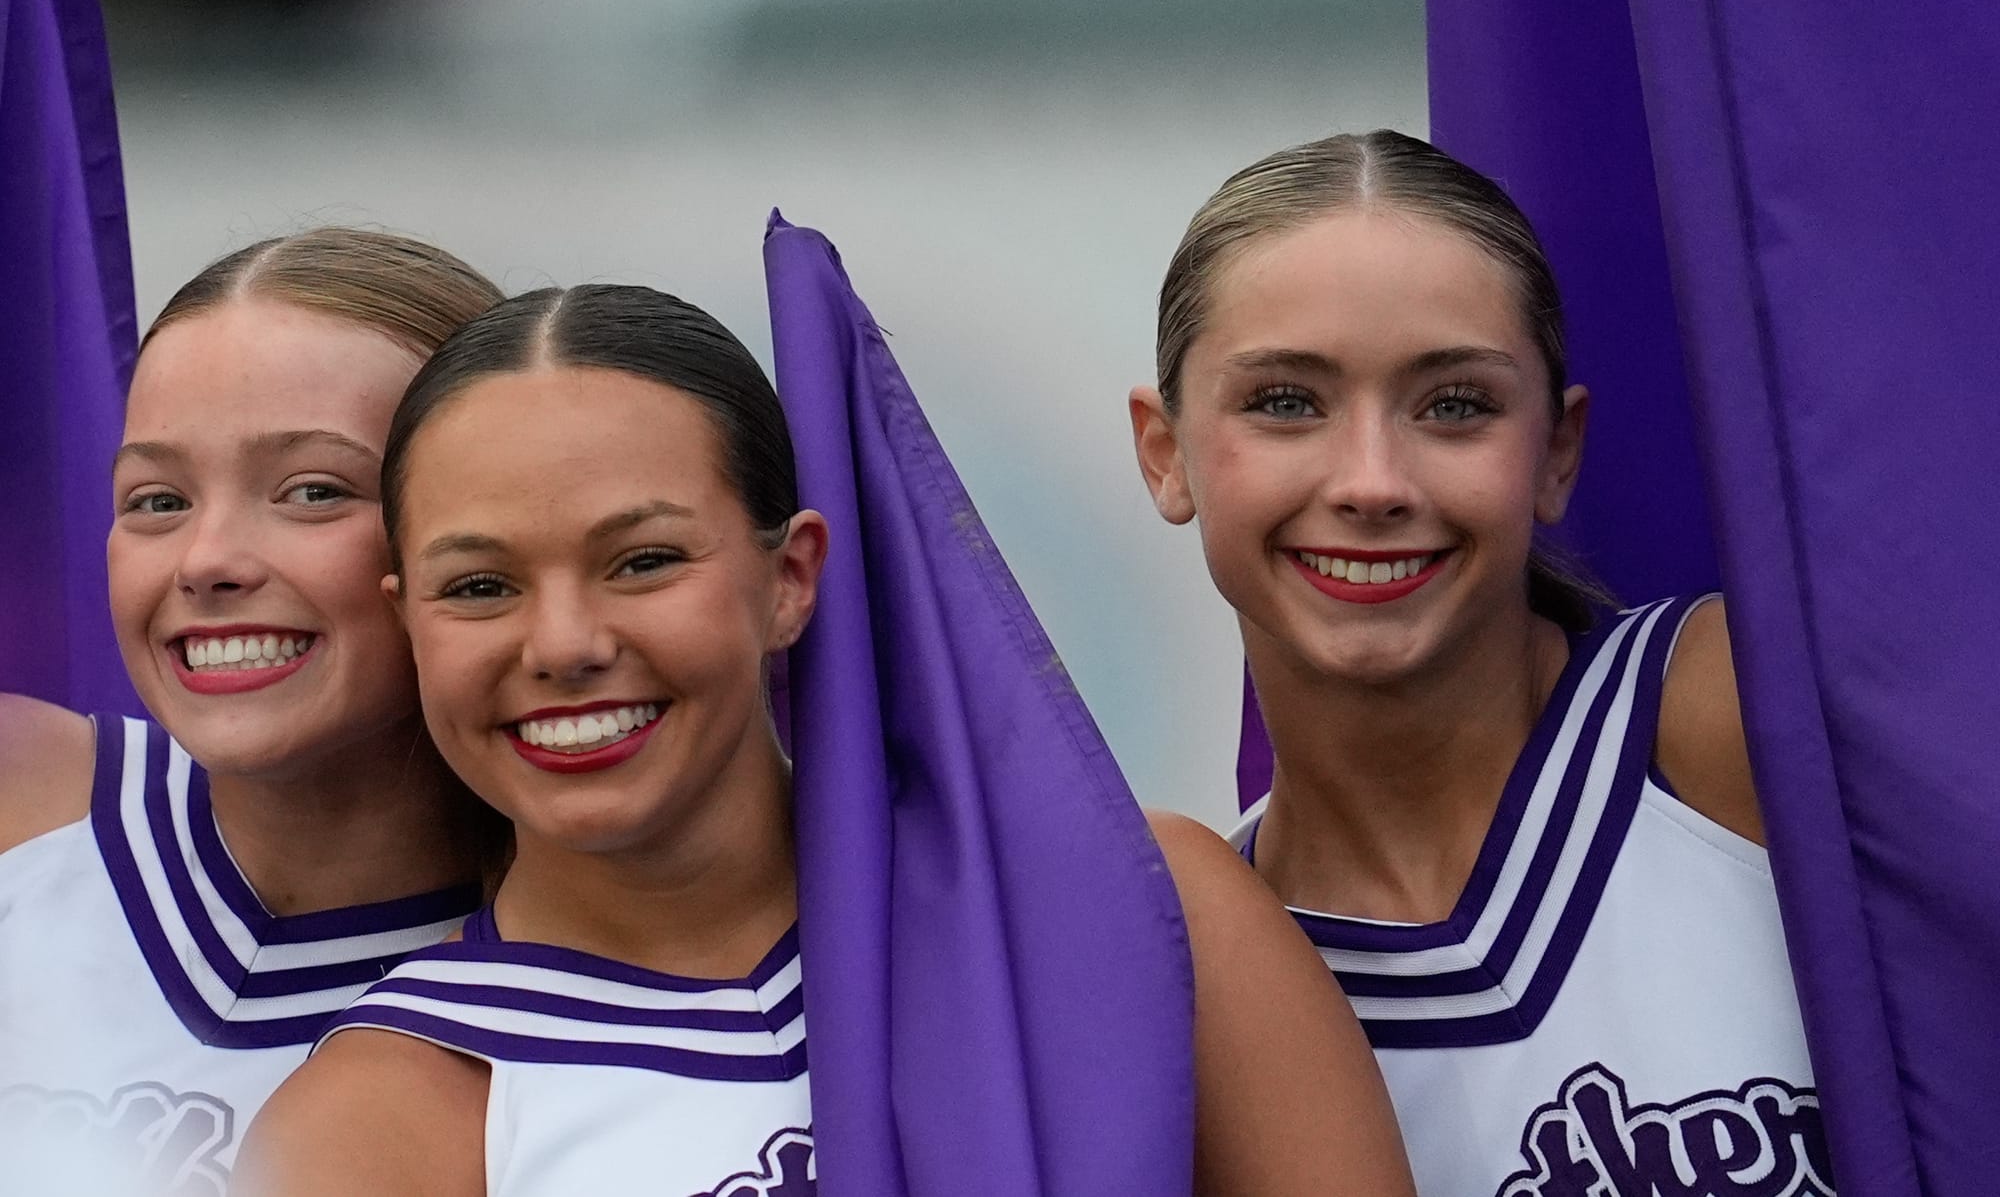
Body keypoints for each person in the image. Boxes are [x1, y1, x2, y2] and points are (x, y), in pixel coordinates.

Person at [237, 284, 1415, 1196]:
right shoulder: (376, 1124)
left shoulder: (1138, 905)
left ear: (790, 576)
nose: (565, 644)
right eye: (480, 587)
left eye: (643, 561)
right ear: (406, 619)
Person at [1127, 131, 1831, 1195]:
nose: (1371, 483)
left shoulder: (1727, 714)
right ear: (1164, 453)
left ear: (1556, 450)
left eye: (1453, 405)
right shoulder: (1198, 988)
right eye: (1285, 402)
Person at [0, 229, 505, 1193]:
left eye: (313, 491)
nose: (206, 561)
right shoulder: (23, 803)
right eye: (157, 500)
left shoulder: (560, 1008)